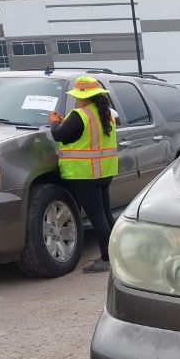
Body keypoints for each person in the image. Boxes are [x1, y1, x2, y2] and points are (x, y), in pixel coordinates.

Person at [49, 76, 118, 273]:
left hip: (85, 174)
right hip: (104, 172)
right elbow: (84, 133)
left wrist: (54, 123)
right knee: (105, 215)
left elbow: (58, 135)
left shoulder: (80, 114)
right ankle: (115, 255)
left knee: (97, 217)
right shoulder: (105, 114)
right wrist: (64, 123)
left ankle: (107, 259)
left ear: (82, 96)